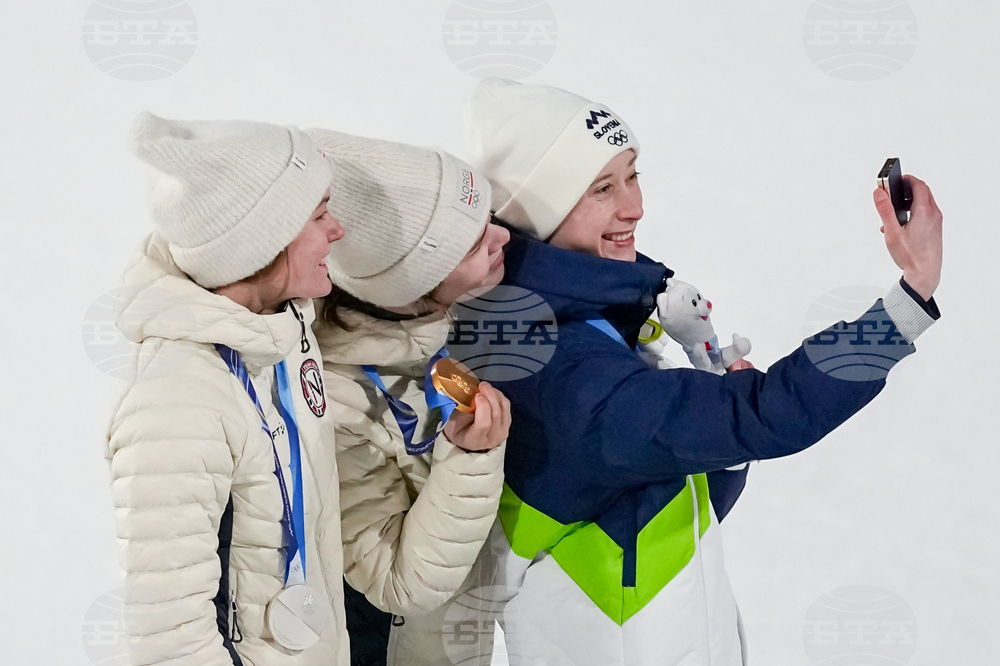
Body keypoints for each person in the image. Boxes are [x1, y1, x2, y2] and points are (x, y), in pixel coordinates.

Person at [463, 78, 943, 665]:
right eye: (602, 188)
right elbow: (766, 413)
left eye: (633, 174)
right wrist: (908, 300)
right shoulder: (561, 367)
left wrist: (719, 435)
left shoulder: (583, 323)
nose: (634, 206)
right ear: (539, 209)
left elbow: (675, 505)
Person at [106, 114, 352, 665]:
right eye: (319, 215)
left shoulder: (284, 334)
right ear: (262, 242)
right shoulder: (177, 403)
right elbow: (170, 643)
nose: (338, 231)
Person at [305, 129, 512, 666]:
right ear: (411, 282)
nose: (501, 239)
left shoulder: (431, 341)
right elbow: (396, 582)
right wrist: (469, 460)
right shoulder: (337, 400)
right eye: (473, 242)